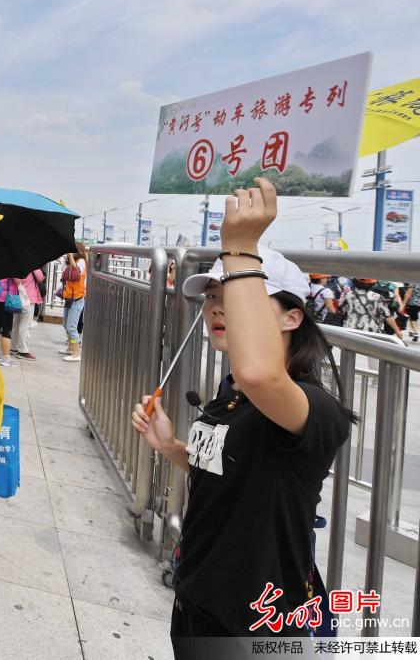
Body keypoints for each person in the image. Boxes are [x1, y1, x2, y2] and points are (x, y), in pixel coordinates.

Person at [131, 178, 353, 653]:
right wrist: (169, 445)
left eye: (232, 295)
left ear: (292, 317)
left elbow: (260, 374)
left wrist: (240, 247)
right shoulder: (230, 395)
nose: (217, 306)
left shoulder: (314, 408)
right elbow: (223, 469)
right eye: (212, 296)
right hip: (197, 599)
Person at [10, 269, 45, 361]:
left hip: (17, 298)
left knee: (16, 324)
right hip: (28, 298)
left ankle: (13, 347)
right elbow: (40, 278)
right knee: (25, 325)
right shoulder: (31, 265)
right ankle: (23, 351)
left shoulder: (15, 264)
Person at [61, 249, 87, 362]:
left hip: (77, 299)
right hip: (69, 298)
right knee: (66, 324)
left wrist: (70, 256)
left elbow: (76, 269)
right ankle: (70, 348)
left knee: (72, 326)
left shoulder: (81, 261)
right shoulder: (68, 262)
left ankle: (76, 353)